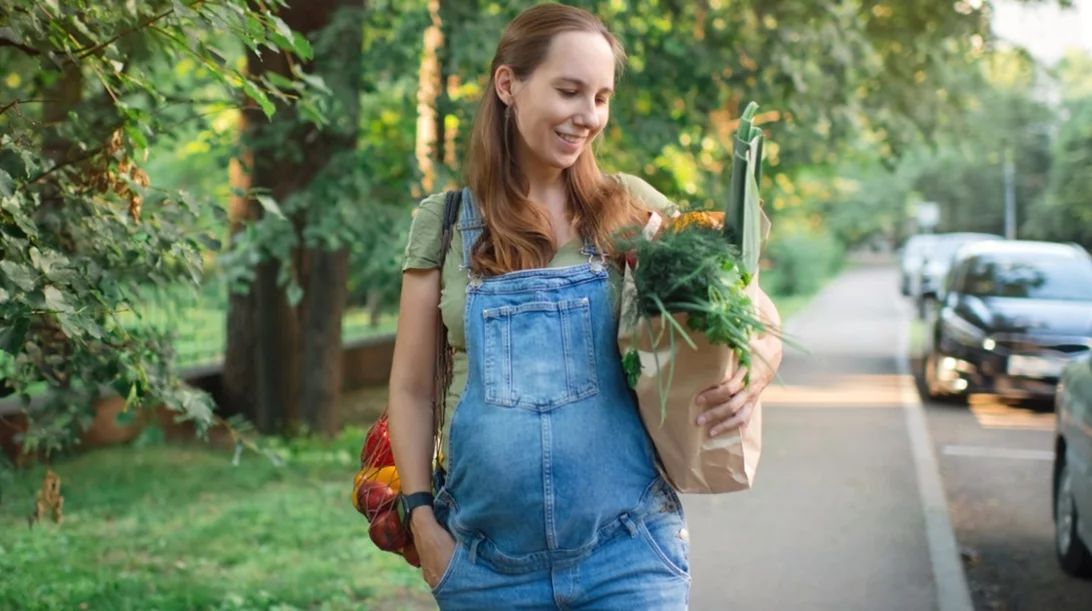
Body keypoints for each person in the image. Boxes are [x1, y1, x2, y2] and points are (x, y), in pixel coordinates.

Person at [386, 3, 783, 609]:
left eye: (601, 97)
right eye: (570, 91)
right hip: (485, 570)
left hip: (628, 558)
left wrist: (762, 360)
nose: (588, 117)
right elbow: (412, 388)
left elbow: (739, 299)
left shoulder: (629, 209)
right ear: (508, 85)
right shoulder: (444, 225)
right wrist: (421, 521)